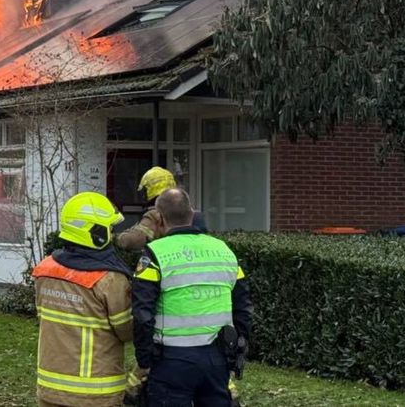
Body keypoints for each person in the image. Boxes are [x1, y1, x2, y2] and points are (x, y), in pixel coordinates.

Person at [131, 189, 252, 406]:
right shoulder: (223, 250)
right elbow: (243, 307)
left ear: (159, 218)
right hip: (217, 359)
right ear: (192, 213)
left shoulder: (155, 254)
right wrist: (237, 351)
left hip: (172, 361)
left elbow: (142, 313)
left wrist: (144, 360)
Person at [33, 192, 133, 407]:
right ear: (96, 232)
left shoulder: (45, 269)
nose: (113, 235)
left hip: (50, 386)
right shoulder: (110, 278)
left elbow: (43, 316)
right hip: (95, 391)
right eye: (110, 229)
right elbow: (126, 331)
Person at [115, 167, 207, 252]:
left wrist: (114, 238)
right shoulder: (188, 212)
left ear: (149, 190)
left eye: (144, 190)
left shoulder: (155, 215)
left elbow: (131, 241)